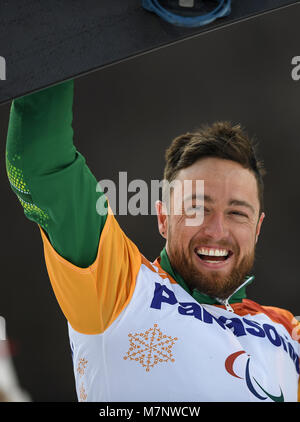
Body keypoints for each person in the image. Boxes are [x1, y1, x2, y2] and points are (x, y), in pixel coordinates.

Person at [5, 79, 299, 402]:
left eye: (237, 213)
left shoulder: (287, 333)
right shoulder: (121, 291)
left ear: (257, 229)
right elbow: (39, 161)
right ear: (163, 218)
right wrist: (52, 41)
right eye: (197, 208)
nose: (217, 230)